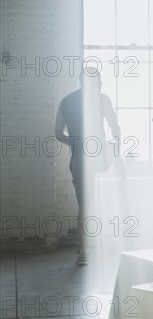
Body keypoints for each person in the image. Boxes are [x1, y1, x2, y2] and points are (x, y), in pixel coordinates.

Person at [55, 67, 124, 265]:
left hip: (79, 158)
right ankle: (112, 242)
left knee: (84, 206)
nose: (101, 83)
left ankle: (83, 251)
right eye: (99, 79)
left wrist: (76, 143)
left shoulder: (66, 102)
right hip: (101, 156)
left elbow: (58, 134)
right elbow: (115, 128)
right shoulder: (102, 99)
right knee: (110, 199)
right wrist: (115, 151)